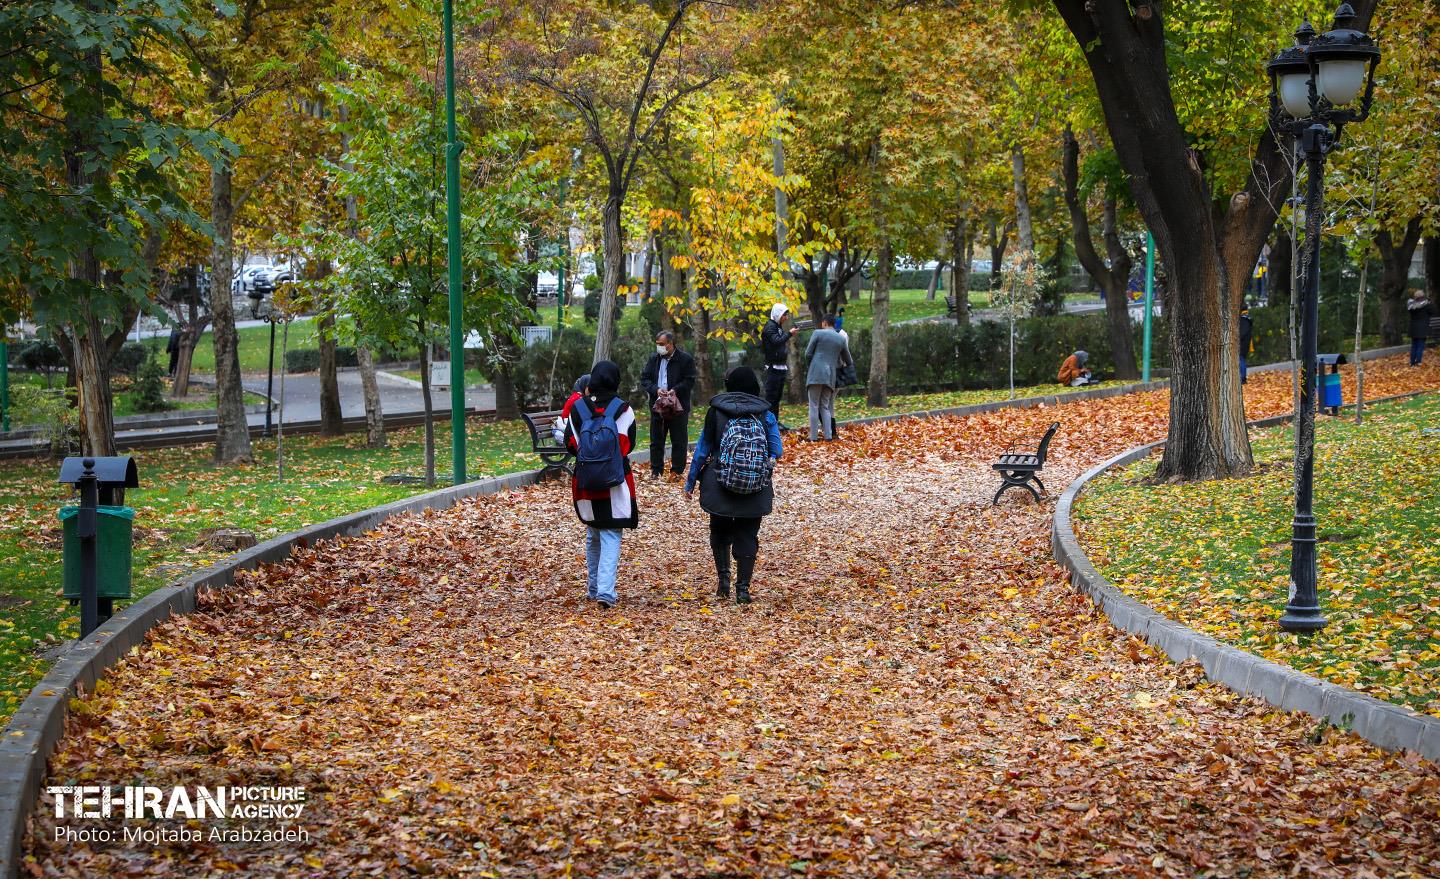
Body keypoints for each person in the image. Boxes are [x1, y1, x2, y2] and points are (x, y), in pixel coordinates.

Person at [685, 367, 783, 605]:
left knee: (719, 529)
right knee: (748, 532)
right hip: (755, 485)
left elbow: (702, 449)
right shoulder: (765, 414)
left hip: (719, 484)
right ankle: (743, 589)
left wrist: (690, 481)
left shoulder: (716, 412)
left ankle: (723, 580)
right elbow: (776, 450)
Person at [563, 361, 638, 609]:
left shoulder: (577, 409)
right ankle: (606, 591)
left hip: (585, 481)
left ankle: (594, 587)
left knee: (593, 532)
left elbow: (571, 444)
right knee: (610, 533)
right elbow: (627, 445)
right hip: (615, 482)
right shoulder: (624, 409)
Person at [639, 331, 698, 478]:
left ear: (670, 344)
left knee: (679, 439)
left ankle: (677, 471)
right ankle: (656, 470)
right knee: (656, 439)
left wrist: (674, 390)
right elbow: (645, 379)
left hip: (678, 406)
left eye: (661, 344)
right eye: (657, 344)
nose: (658, 347)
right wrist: (656, 390)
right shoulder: (654, 359)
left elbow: (689, 380)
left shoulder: (685, 359)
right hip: (658, 405)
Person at [804, 314, 851, 442]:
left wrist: (811, 366)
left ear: (824, 323)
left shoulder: (817, 333)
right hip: (831, 375)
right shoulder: (840, 338)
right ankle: (828, 436)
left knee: (814, 405)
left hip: (816, 372)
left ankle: (813, 437)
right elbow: (848, 359)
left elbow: (808, 353)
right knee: (825, 406)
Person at [761, 303, 798, 426]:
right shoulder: (769, 327)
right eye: (784, 315)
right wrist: (789, 334)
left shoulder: (777, 326)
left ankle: (774, 423)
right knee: (771, 398)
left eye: (787, 315)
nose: (786, 318)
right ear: (777, 314)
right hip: (773, 368)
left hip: (780, 367)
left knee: (777, 398)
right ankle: (769, 424)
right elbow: (776, 341)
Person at [1408, 289, 1433, 366]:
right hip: (1422, 328)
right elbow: (1432, 312)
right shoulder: (1426, 305)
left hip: (1413, 328)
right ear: (1423, 296)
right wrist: (1430, 303)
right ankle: (1418, 361)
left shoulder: (1411, 305)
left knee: (1414, 345)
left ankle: (1412, 362)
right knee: (1420, 345)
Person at [1239, 304, 1254, 384]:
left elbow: (1242, 332)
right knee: (1242, 359)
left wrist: (1238, 339)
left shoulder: (1244, 320)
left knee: (1241, 359)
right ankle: (1242, 377)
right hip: (1246, 342)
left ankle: (1243, 378)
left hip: (1243, 343)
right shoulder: (1247, 318)